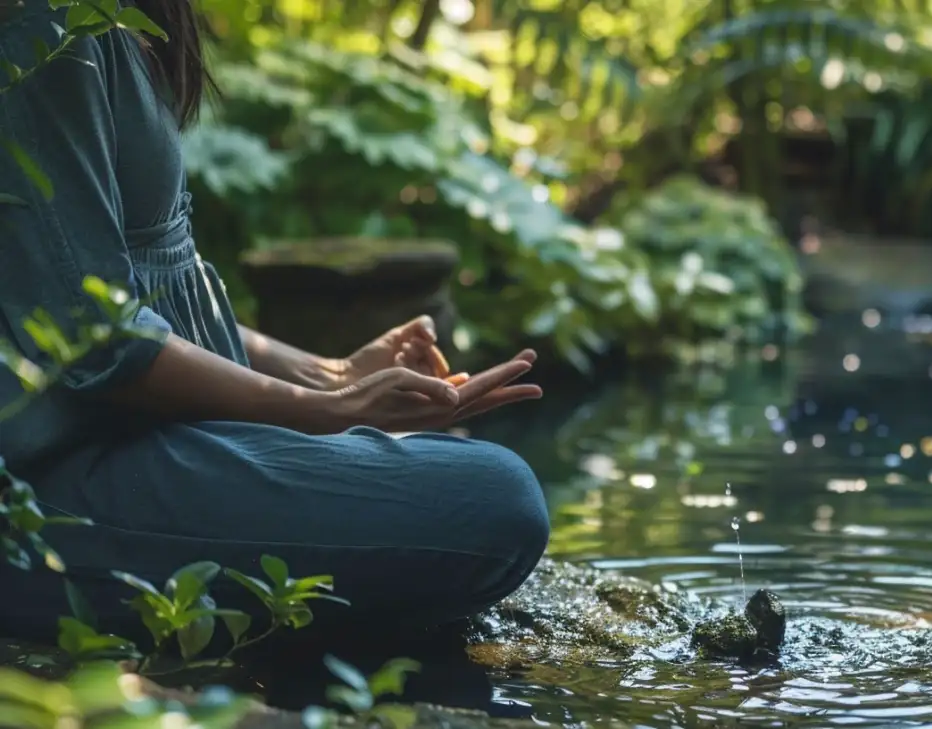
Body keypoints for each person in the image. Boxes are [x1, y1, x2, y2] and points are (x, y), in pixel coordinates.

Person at [0, 0, 549, 643]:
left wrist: (325, 373)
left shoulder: (109, 19)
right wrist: (324, 410)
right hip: (46, 490)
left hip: (128, 441)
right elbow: (95, 338)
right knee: (492, 497)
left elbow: (151, 283)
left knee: (452, 466)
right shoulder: (46, 29)